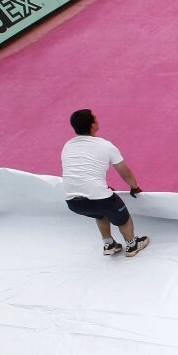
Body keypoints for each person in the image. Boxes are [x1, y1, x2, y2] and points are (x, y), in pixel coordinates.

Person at [61, 109, 150, 258]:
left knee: (100, 213)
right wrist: (134, 187)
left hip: (72, 202)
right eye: (95, 118)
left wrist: (101, 189)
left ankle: (109, 244)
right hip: (99, 199)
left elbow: (79, 172)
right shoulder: (106, 146)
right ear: (92, 125)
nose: (98, 119)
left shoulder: (67, 145)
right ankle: (132, 245)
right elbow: (125, 172)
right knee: (123, 219)